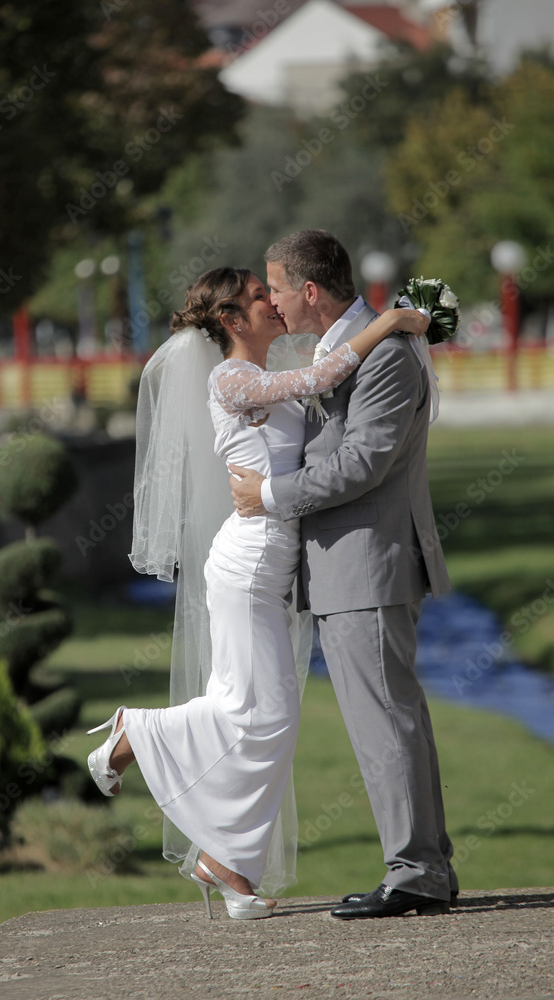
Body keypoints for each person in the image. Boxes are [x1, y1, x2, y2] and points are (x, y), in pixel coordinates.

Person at [86, 266, 429, 920]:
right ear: (231, 323)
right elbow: (316, 380)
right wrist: (387, 320)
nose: (271, 302)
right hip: (246, 564)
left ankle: (227, 867)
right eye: (255, 296)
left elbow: (322, 380)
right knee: (261, 715)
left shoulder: (269, 370)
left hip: (269, 564)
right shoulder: (230, 378)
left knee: (258, 712)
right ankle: (136, 733)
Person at [230, 230, 457, 920]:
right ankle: (423, 866)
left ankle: (416, 870)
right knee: (388, 719)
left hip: (367, 562)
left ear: (306, 291)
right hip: (349, 566)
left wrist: (268, 495)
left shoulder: (383, 354)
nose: (267, 299)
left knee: (384, 721)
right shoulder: (346, 349)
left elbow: (363, 463)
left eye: (272, 287)